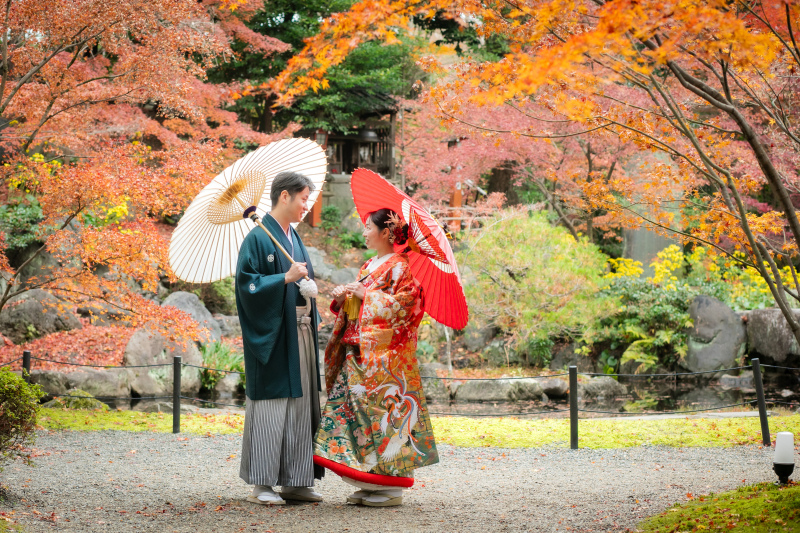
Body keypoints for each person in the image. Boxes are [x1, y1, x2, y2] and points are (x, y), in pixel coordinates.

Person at [314, 208, 439, 507]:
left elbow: (406, 307)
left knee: (384, 416)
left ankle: (390, 487)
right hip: (359, 350)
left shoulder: (401, 266)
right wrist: (345, 297)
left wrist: (366, 296)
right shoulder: (371, 264)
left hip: (386, 359)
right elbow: (355, 308)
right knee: (352, 411)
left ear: (386, 232)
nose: (364, 231)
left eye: (368, 227)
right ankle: (368, 481)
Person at [235, 171, 324, 506]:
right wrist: (284, 278)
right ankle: (262, 482)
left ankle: (296, 480)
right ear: (284, 196)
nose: (306, 206)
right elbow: (247, 287)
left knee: (301, 406)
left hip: (299, 332)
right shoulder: (258, 239)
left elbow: (301, 283)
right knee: (273, 406)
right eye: (303, 199)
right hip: (272, 335)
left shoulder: (292, 238)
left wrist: (310, 296)